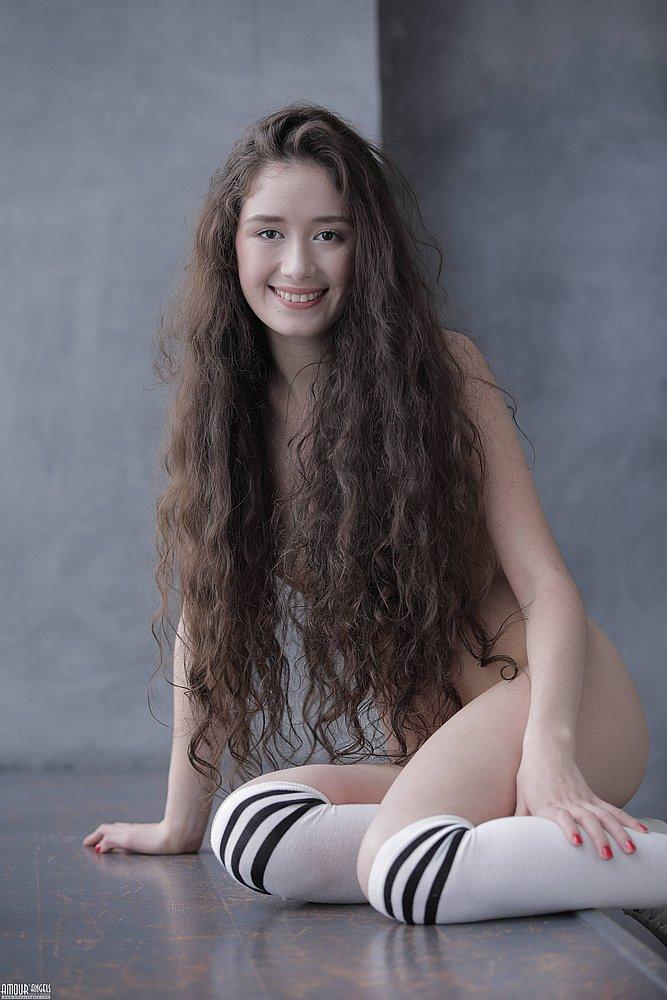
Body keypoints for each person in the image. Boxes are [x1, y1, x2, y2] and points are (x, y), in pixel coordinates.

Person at [83, 102, 667, 940]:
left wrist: (549, 749)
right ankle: (528, 851)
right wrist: (181, 821)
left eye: (330, 234)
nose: (298, 264)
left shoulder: (442, 371)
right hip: (444, 741)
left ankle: (613, 855)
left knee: (400, 870)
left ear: (368, 248)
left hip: (552, 702)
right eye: (269, 232)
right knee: (251, 830)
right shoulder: (229, 416)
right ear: (229, 245)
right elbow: (205, 619)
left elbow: (545, 586)